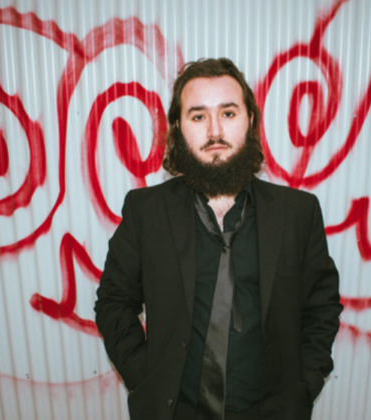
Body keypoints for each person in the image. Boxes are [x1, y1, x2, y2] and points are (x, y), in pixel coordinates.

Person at [95, 58, 343, 420]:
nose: (215, 131)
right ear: (178, 127)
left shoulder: (298, 213)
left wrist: (302, 388)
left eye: (228, 113)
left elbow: (322, 308)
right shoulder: (145, 211)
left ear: (250, 120)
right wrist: (147, 379)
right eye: (198, 116)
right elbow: (113, 302)